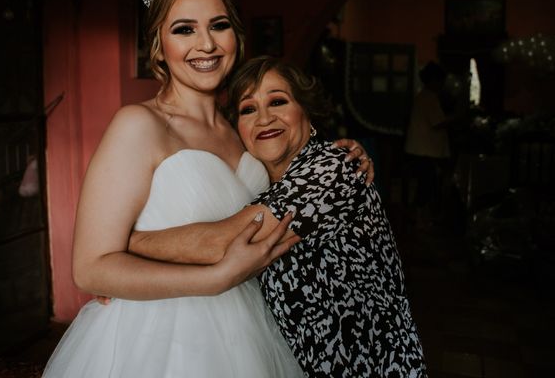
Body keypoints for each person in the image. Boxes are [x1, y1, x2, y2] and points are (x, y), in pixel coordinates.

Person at [43, 0, 373, 377]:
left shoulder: (245, 129)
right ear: (159, 46)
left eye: (219, 26)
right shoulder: (138, 125)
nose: (206, 44)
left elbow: (291, 197)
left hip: (254, 325)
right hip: (158, 336)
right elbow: (90, 268)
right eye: (185, 30)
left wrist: (339, 155)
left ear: (236, 35)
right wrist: (213, 280)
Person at [130, 56, 428, 377]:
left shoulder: (335, 168)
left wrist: (124, 246)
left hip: (370, 364)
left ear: (307, 112)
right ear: (238, 129)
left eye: (277, 101)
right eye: (248, 109)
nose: (264, 118)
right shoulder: (257, 190)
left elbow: (222, 243)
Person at [403, 61, 455, 229]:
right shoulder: (429, 98)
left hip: (420, 149)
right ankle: (420, 218)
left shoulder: (423, 96)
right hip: (425, 150)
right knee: (427, 184)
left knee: (425, 183)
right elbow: (437, 122)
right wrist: (457, 118)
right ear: (433, 80)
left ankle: (419, 217)